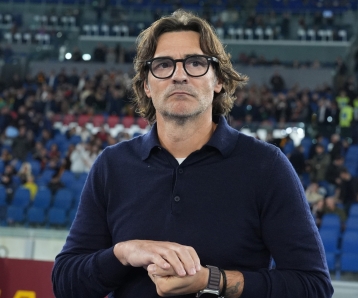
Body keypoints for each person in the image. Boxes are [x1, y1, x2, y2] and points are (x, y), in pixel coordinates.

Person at [52, 10, 333, 298]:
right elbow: (66, 284)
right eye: (163, 65)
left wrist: (212, 280)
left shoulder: (266, 166)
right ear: (147, 85)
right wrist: (123, 252)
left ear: (219, 80)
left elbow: (313, 287)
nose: (179, 75)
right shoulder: (112, 165)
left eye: (195, 63)